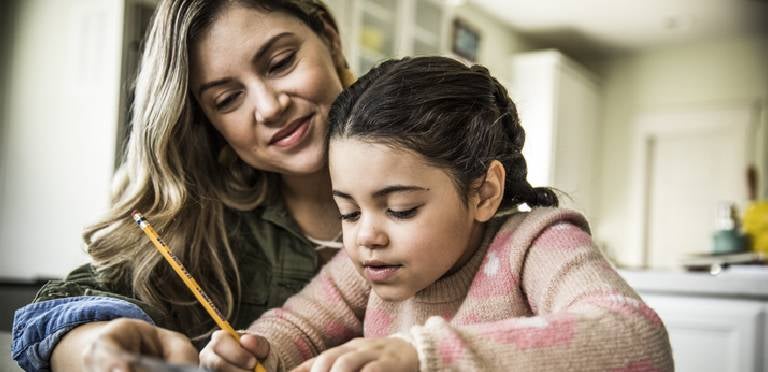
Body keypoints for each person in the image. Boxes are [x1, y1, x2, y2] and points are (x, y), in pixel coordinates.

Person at [199, 56, 674, 372]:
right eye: (346, 211)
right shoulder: (367, 266)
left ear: (484, 192)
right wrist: (258, 350)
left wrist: (424, 355)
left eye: (401, 209)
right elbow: (297, 325)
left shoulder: (537, 244)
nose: (367, 236)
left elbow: (637, 337)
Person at [11, 0, 356, 370]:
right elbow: (49, 313)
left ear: (330, 38)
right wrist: (97, 349)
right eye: (226, 99)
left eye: (280, 63)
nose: (269, 107)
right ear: (208, 120)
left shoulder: (427, 155)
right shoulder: (205, 230)